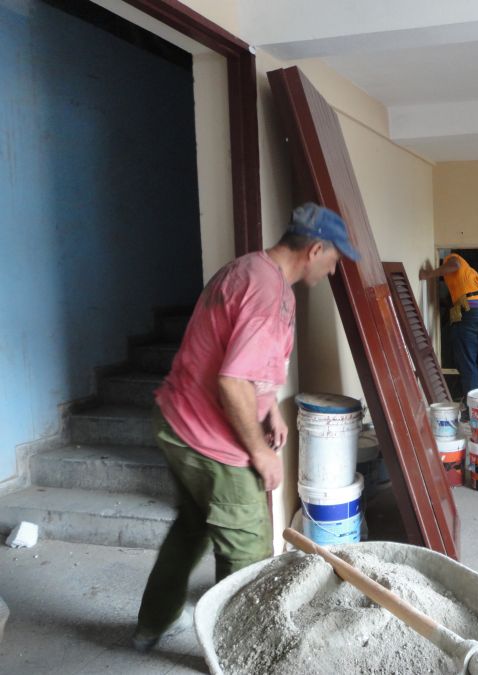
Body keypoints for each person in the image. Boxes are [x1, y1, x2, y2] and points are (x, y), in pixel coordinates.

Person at [132, 203, 359, 651]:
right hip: (211, 440)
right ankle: (238, 654)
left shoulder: (249, 269)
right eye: (336, 258)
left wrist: (269, 406)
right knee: (249, 554)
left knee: (191, 527)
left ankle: (152, 625)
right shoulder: (268, 294)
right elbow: (232, 380)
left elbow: (241, 361)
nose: (335, 268)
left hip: (176, 420)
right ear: (315, 250)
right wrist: (259, 452)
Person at [419, 251, 478, 399]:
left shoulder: (453, 258)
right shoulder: (469, 275)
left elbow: (454, 265)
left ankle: (473, 408)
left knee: (468, 364)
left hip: (470, 312)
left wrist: (429, 274)